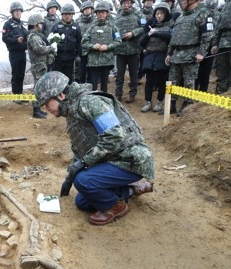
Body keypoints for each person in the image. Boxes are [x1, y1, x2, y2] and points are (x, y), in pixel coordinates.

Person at [34, 71, 154, 225]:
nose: (45, 108)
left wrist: (83, 163)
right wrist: (72, 171)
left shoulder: (90, 102)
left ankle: (117, 207)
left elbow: (114, 136)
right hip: (115, 159)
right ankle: (131, 190)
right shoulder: (72, 110)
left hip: (132, 159)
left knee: (83, 181)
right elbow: (80, 148)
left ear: (61, 95)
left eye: (46, 102)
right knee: (82, 201)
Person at [165, 0, 213, 114]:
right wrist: (169, 54)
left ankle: (187, 105)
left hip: (191, 54)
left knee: (189, 81)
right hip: (176, 54)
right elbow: (173, 38)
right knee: (172, 80)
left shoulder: (203, 13)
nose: (181, 2)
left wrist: (201, 52)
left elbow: (207, 35)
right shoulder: (180, 17)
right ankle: (171, 104)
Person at [139, 2, 173, 114]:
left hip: (162, 55)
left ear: (166, 14)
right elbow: (142, 42)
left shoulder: (170, 26)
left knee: (161, 80)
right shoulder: (150, 26)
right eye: (157, 13)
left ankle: (159, 102)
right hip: (150, 55)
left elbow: (170, 37)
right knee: (149, 80)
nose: (159, 16)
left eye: (161, 14)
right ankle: (148, 102)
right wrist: (149, 34)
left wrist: (156, 33)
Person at [81, 1, 122, 92]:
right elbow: (83, 42)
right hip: (93, 61)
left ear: (107, 13)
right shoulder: (91, 27)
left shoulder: (113, 27)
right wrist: (92, 46)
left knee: (104, 86)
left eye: (103, 12)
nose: (101, 14)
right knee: (93, 86)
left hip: (106, 61)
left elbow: (118, 41)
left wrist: (108, 47)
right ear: (96, 14)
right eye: (99, 12)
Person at [114, 0, 146, 103]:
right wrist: (118, 38)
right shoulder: (118, 17)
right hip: (120, 50)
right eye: (124, 3)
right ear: (122, 4)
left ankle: (132, 94)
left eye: (128, 3)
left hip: (134, 49)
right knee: (119, 74)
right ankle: (118, 94)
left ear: (131, 4)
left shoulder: (138, 14)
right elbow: (114, 31)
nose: (126, 5)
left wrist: (133, 33)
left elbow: (144, 26)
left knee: (133, 74)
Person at [27, 14, 55, 119]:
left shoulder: (37, 36)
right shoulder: (33, 37)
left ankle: (38, 108)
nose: (41, 26)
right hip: (38, 65)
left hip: (41, 65)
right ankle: (36, 110)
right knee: (37, 88)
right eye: (40, 24)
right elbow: (39, 49)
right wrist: (50, 48)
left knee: (40, 87)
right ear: (35, 24)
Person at [2, 2, 28, 102]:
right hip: (14, 53)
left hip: (22, 52)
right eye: (16, 11)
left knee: (21, 74)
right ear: (12, 12)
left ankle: (20, 95)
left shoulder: (22, 25)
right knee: (16, 74)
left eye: (19, 11)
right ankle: (15, 96)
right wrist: (16, 40)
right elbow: (4, 38)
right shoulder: (8, 24)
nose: (18, 13)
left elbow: (26, 36)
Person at [50, 3, 83, 83]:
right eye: (65, 14)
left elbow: (79, 43)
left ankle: (67, 95)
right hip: (58, 59)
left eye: (69, 14)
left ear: (72, 15)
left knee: (68, 80)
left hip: (70, 59)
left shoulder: (76, 27)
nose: (67, 16)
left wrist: (78, 55)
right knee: (58, 81)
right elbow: (50, 41)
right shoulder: (56, 26)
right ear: (62, 15)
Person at [76, 1, 97, 83]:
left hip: (92, 50)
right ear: (82, 10)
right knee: (81, 72)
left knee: (92, 73)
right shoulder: (77, 21)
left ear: (91, 10)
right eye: (85, 9)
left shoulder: (95, 21)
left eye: (89, 9)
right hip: (81, 51)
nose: (87, 10)